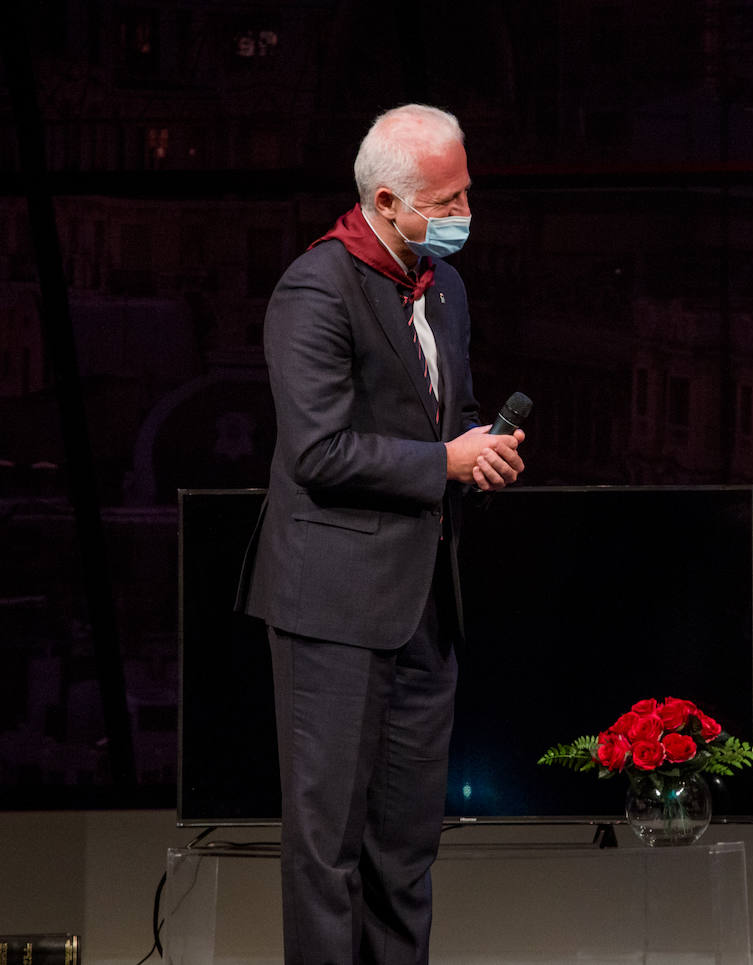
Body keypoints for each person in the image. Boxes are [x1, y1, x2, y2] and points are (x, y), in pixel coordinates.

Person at [238, 103, 525, 964]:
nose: (464, 214)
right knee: (327, 851)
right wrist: (444, 462)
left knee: (406, 849)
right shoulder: (314, 288)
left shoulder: (445, 289)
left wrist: (485, 456)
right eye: (447, 200)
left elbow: (454, 415)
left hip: (423, 608)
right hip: (332, 603)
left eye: (467, 192)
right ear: (392, 202)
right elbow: (320, 449)